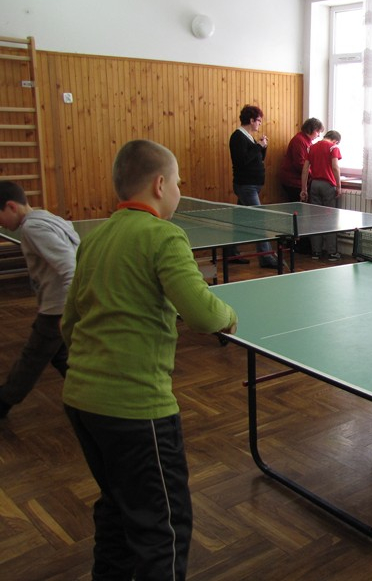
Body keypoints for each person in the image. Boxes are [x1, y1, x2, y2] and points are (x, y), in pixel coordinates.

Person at [62, 140, 238, 580]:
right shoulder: (164, 236)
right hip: (137, 411)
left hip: (82, 401)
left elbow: (69, 324)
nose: (179, 191)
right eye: (178, 183)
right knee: (163, 528)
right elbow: (202, 314)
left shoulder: (94, 238)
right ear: (160, 185)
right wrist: (229, 316)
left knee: (117, 509)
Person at [0, 182, 80, 418]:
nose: (1, 224)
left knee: (32, 358)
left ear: (11, 206)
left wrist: (68, 310)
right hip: (59, 305)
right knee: (61, 356)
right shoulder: (49, 218)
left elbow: (70, 266)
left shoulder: (32, 228)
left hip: (57, 309)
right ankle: (89, 394)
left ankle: (3, 401)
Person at [228, 104, 278, 268]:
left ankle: (231, 253)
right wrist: (258, 146)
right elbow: (242, 160)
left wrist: (263, 147)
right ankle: (266, 257)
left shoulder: (249, 137)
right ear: (251, 120)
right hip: (245, 186)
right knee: (259, 219)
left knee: (239, 220)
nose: (259, 124)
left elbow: (257, 158)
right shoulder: (238, 137)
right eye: (258, 121)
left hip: (252, 185)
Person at [300, 130, 343, 261]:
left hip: (314, 185)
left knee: (315, 219)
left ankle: (316, 252)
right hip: (328, 186)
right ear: (336, 140)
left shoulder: (311, 147)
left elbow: (305, 169)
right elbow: (335, 167)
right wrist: (339, 186)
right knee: (330, 219)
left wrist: (304, 189)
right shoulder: (333, 148)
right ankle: (331, 252)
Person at [278, 117, 324, 202]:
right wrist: (314, 174)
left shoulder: (307, 141)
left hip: (299, 180)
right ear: (311, 129)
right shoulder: (299, 140)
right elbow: (300, 164)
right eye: (318, 132)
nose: (318, 135)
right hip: (293, 181)